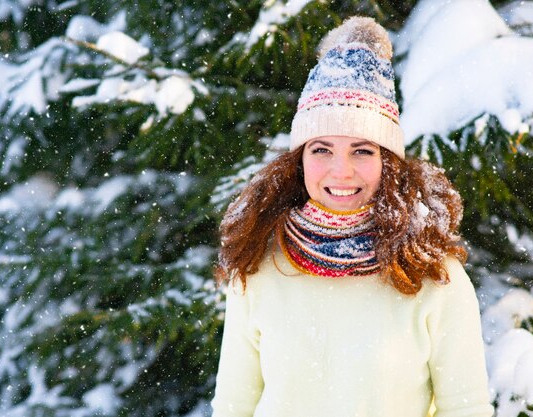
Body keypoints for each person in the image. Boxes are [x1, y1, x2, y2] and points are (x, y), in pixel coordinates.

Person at [211, 16, 493, 417]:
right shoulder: (258, 263)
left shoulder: (432, 273)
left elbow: (467, 409)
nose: (340, 171)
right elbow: (233, 407)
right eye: (321, 149)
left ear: (388, 162)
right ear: (299, 160)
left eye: (362, 150)